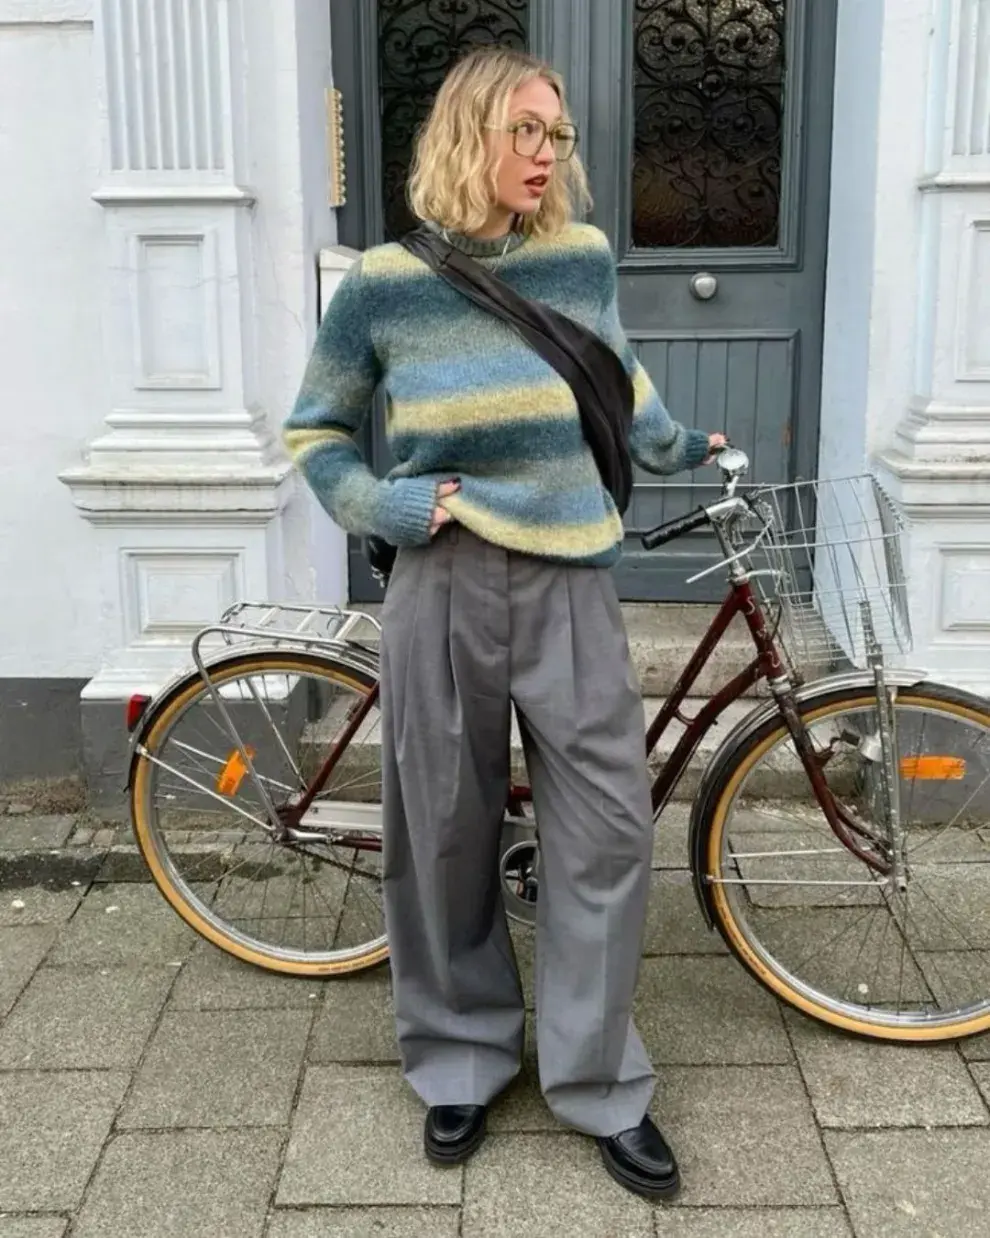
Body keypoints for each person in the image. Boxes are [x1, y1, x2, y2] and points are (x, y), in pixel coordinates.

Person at [283, 46, 726, 1200]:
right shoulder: (385, 282)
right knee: (443, 824)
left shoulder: (579, 261)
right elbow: (317, 430)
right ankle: (462, 1057)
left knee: (610, 829)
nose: (544, 155)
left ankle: (595, 1077)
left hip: (572, 578)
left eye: (557, 135)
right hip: (443, 573)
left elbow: (620, 385)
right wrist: (380, 501)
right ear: (467, 134)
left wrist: (693, 448)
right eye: (523, 131)